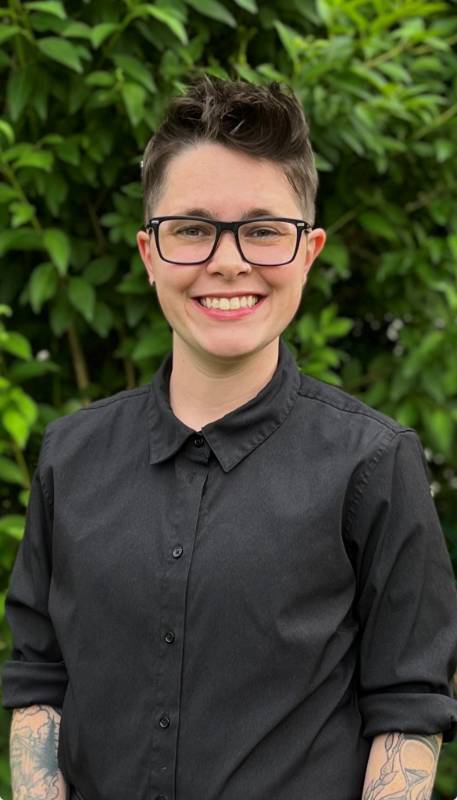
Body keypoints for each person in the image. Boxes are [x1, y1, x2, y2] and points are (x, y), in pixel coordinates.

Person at [2, 74, 457, 800]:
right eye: (191, 228)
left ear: (307, 252)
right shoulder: (69, 456)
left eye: (262, 230)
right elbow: (38, 674)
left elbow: (407, 705)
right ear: (149, 252)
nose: (228, 260)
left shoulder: (372, 464)